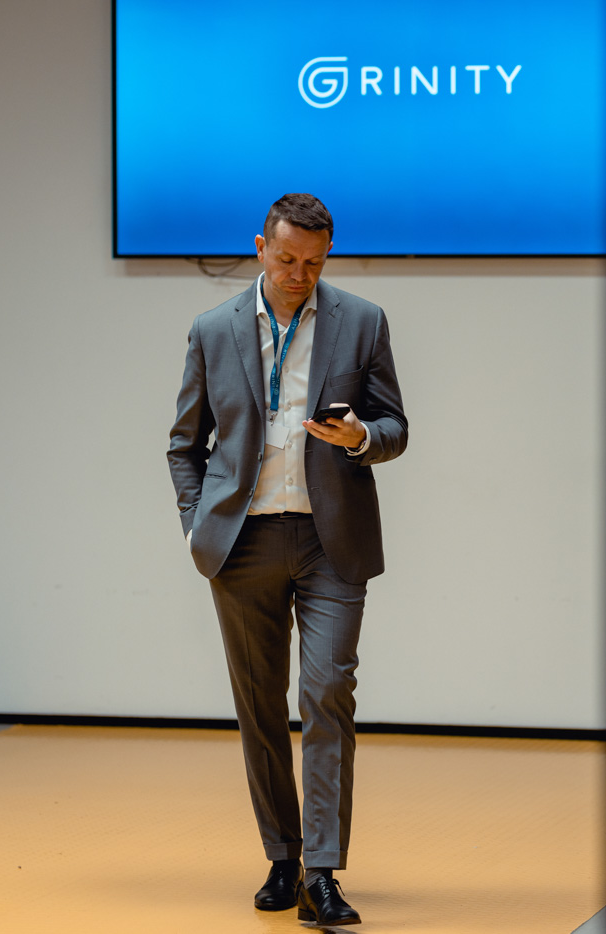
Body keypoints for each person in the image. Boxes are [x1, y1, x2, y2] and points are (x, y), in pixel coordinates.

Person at [167, 193, 407, 926]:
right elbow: (184, 444)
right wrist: (197, 526)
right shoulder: (213, 329)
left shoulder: (363, 321)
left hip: (332, 541)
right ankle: (282, 855)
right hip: (242, 544)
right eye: (288, 258)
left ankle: (322, 873)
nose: (300, 274)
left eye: (315, 262)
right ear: (261, 247)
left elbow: (396, 426)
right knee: (260, 703)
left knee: (328, 691)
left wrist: (361, 437)